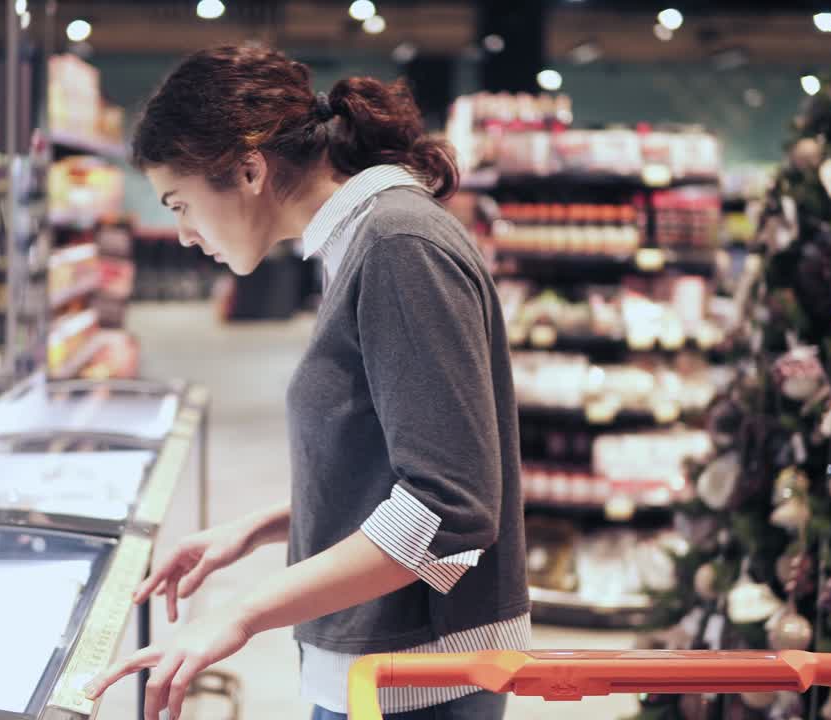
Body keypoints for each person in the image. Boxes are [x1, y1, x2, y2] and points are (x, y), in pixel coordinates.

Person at [83, 45, 529, 720]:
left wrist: (241, 615)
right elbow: (405, 465)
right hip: (387, 666)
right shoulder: (361, 239)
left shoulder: (396, 244)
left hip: (417, 680)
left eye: (181, 203)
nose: (181, 234)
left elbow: (450, 509)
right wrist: (264, 528)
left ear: (251, 168)